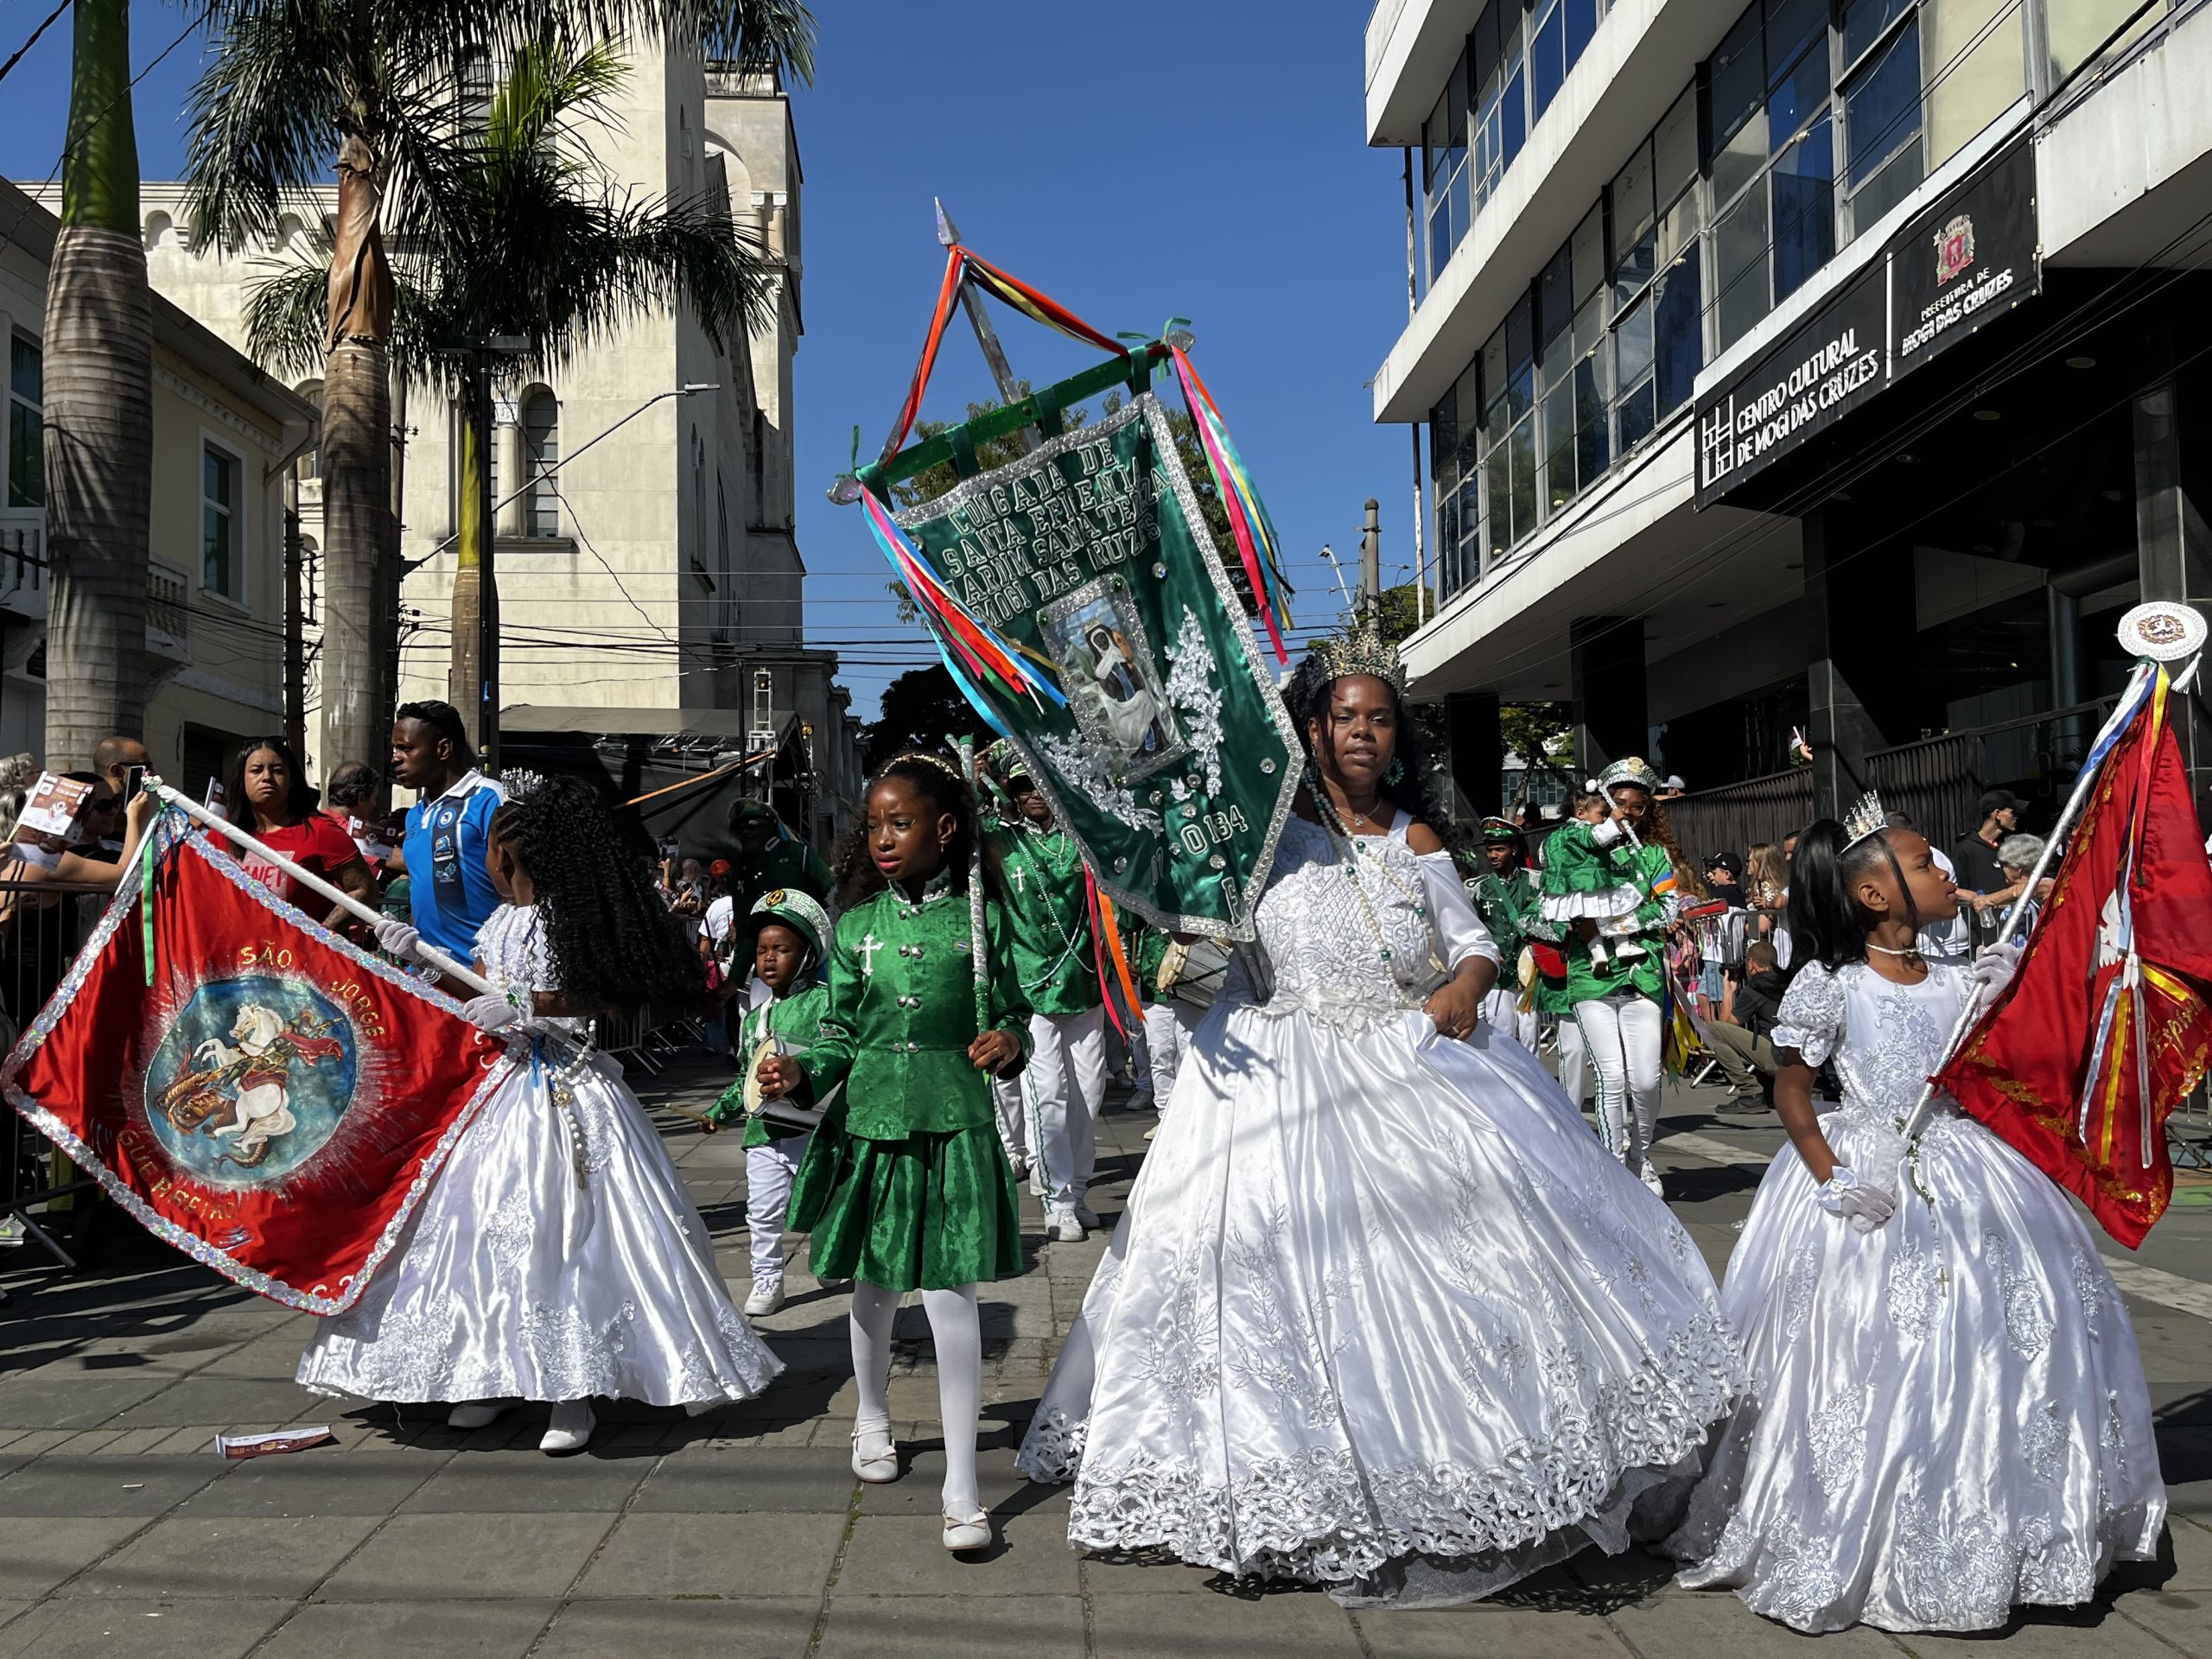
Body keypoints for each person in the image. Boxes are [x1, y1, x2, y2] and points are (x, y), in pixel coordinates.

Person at [1015, 627, 1739, 1606]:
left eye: (1379, 717)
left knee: (1456, 1275)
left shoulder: (1420, 839)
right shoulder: (1257, 834)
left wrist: (1464, 989)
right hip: (1265, 1083)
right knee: (1245, 1280)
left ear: (1400, 736)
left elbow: (1474, 940)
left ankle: (1448, 1472)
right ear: (1308, 729)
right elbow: (1157, 832)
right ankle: (1255, 1490)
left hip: (1405, 1068)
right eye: (1343, 715)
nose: (1362, 732)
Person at [1664, 804, 2164, 1632]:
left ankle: (2012, 1520)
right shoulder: (1833, 983)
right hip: (1867, 1165)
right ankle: (1862, 1511)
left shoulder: (1959, 977)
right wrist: (1832, 1178)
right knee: (1863, 1345)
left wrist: (2008, 992)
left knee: (2007, 1334)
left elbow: (2002, 1067)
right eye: (1926, 866)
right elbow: (1792, 1089)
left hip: (1966, 1165)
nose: (1945, 876)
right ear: (1872, 893)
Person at [307, 775, 781, 1453]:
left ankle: (572, 1390)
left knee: (566, 1238)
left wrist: (530, 1007)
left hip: (569, 1094)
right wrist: (412, 953)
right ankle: (486, 1377)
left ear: (520, 856)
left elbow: (604, 999)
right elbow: (475, 989)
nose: (488, 863)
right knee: (474, 1237)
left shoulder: (575, 920)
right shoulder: (499, 922)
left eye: (495, 850)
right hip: (500, 1091)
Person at [754, 753, 1030, 1555]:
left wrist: (1006, 1039)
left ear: (945, 830)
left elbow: (1013, 1006)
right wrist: (802, 1069)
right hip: (871, 1126)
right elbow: (840, 1031)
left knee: (952, 1299)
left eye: (899, 822)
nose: (881, 837)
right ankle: (871, 1416)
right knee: (873, 1291)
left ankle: (963, 1486)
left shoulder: (984, 919)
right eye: (872, 824)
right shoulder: (855, 929)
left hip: (953, 1124)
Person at [1541, 758, 1705, 1196]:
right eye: (1619, 803)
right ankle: (1615, 1167)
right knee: (1611, 1077)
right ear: (1604, 802)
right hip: (1590, 977)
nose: (1628, 812)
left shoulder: (1654, 856)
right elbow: (1554, 882)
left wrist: (1611, 925)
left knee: (1647, 1079)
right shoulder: (1571, 844)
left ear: (1648, 810)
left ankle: (1640, 1157)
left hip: (1643, 976)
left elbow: (1668, 908)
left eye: (1637, 806)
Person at [992, 752, 1108, 1243]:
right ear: (1010, 795)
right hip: (1030, 990)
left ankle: (1078, 1191)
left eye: (1039, 782)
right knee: (1050, 1096)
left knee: (1090, 1092)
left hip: (1084, 983)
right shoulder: (999, 844)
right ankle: (1057, 1200)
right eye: (1021, 786)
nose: (1032, 793)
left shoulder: (1084, 838)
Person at [706, 890, 836, 1317]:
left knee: (820, 1199)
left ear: (806, 955)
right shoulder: (755, 1015)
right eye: (762, 950)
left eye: (781, 949)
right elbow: (746, 1078)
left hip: (810, 1131)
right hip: (763, 1132)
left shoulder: (824, 1003)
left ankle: (829, 1256)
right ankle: (767, 1278)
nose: (768, 959)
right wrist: (719, 1112)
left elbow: (836, 1057)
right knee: (762, 1212)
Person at [391, 701, 505, 974]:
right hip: (428, 975)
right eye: (394, 749)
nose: (395, 758)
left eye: (405, 748)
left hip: (481, 979)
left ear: (443, 749)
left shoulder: (490, 799)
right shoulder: (414, 815)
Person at [226, 737, 379, 931]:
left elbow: (364, 890)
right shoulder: (221, 833)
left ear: (292, 780)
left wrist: (318, 935)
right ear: (242, 779)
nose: (267, 777)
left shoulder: (321, 831)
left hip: (300, 959)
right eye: (257, 770)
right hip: (236, 957)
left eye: (278, 770)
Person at [1465, 816, 1540, 1048]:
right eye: (1490, 850)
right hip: (1497, 974)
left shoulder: (1536, 882)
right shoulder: (1478, 887)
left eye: (1500, 849)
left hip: (1530, 972)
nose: (1493, 855)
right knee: (1502, 1034)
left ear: (1514, 849)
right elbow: (1469, 927)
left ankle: (1533, 1084)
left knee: (1530, 1036)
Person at [1705, 939, 1784, 1110]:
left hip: (1778, 1058)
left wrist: (1728, 992)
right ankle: (1770, 1091)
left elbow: (1726, 1024)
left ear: (1751, 964)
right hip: (1799, 1058)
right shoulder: (1787, 980)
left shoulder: (1757, 987)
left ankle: (1750, 1091)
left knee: (1713, 1030)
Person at [725, 799, 833, 916]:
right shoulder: (739, 872)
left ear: (770, 826)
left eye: (752, 824)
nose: (745, 832)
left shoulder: (797, 854)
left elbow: (832, 891)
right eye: (740, 828)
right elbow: (741, 920)